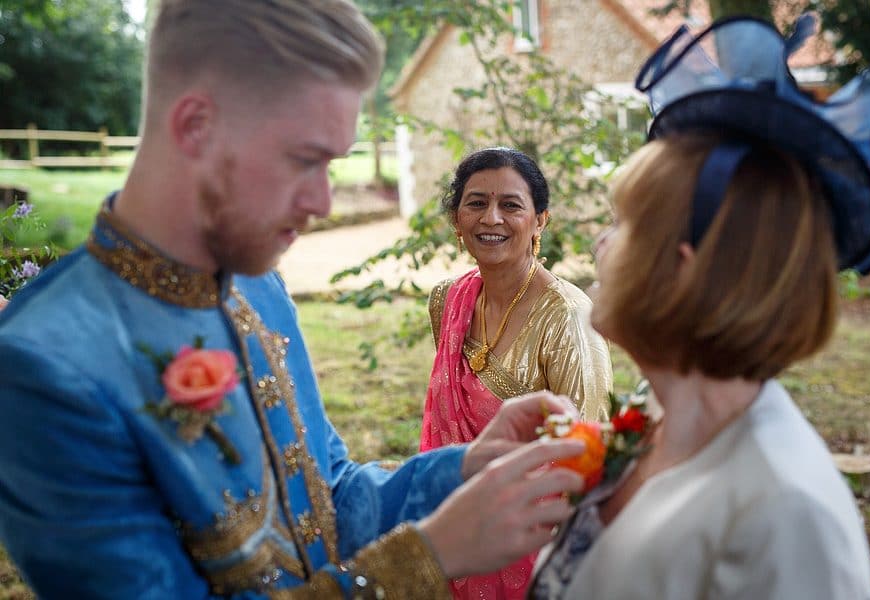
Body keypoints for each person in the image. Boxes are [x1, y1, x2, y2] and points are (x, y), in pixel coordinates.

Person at [0, 1, 590, 598]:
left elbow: (328, 498)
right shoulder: (44, 363)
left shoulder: (258, 284)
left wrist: (467, 465)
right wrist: (426, 558)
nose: (324, 202)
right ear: (196, 125)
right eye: (305, 159)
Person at [529, 15, 870, 599]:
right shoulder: (656, 414)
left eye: (624, 225)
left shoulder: (788, 513)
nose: (600, 243)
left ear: (684, 267)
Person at [421, 147, 614, 599]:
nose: (491, 219)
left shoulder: (567, 317)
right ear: (456, 219)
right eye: (476, 203)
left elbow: (586, 449)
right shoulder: (448, 301)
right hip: (456, 514)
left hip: (532, 536)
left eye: (510, 205)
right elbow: (450, 418)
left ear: (539, 221)